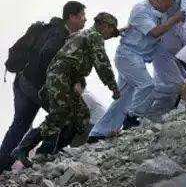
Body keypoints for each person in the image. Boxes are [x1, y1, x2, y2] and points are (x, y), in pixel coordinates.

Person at [12, 13, 121, 167]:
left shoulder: (83, 35)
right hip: (61, 76)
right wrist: (113, 87)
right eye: (111, 29)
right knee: (59, 114)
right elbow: (102, 64)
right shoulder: (95, 36)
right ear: (105, 26)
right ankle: (27, 149)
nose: (111, 34)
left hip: (65, 77)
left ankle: (55, 151)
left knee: (81, 115)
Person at [0, 1, 86, 174]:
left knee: (20, 124)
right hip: (36, 85)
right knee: (67, 114)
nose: (85, 20)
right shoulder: (60, 34)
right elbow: (47, 55)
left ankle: (3, 164)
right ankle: (45, 154)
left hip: (23, 80)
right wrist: (57, 83)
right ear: (72, 17)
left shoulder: (51, 29)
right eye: (83, 16)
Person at [88, 0, 184, 141]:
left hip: (136, 57)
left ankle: (98, 134)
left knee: (123, 98)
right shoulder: (141, 10)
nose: (167, 10)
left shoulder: (157, 10)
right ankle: (132, 119)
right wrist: (175, 19)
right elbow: (154, 32)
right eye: (166, 6)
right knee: (147, 85)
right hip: (128, 56)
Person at [148, 0, 186, 119]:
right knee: (177, 87)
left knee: (181, 86)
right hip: (163, 54)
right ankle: (142, 98)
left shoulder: (170, 5)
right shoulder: (174, 3)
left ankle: (161, 117)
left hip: (171, 55)